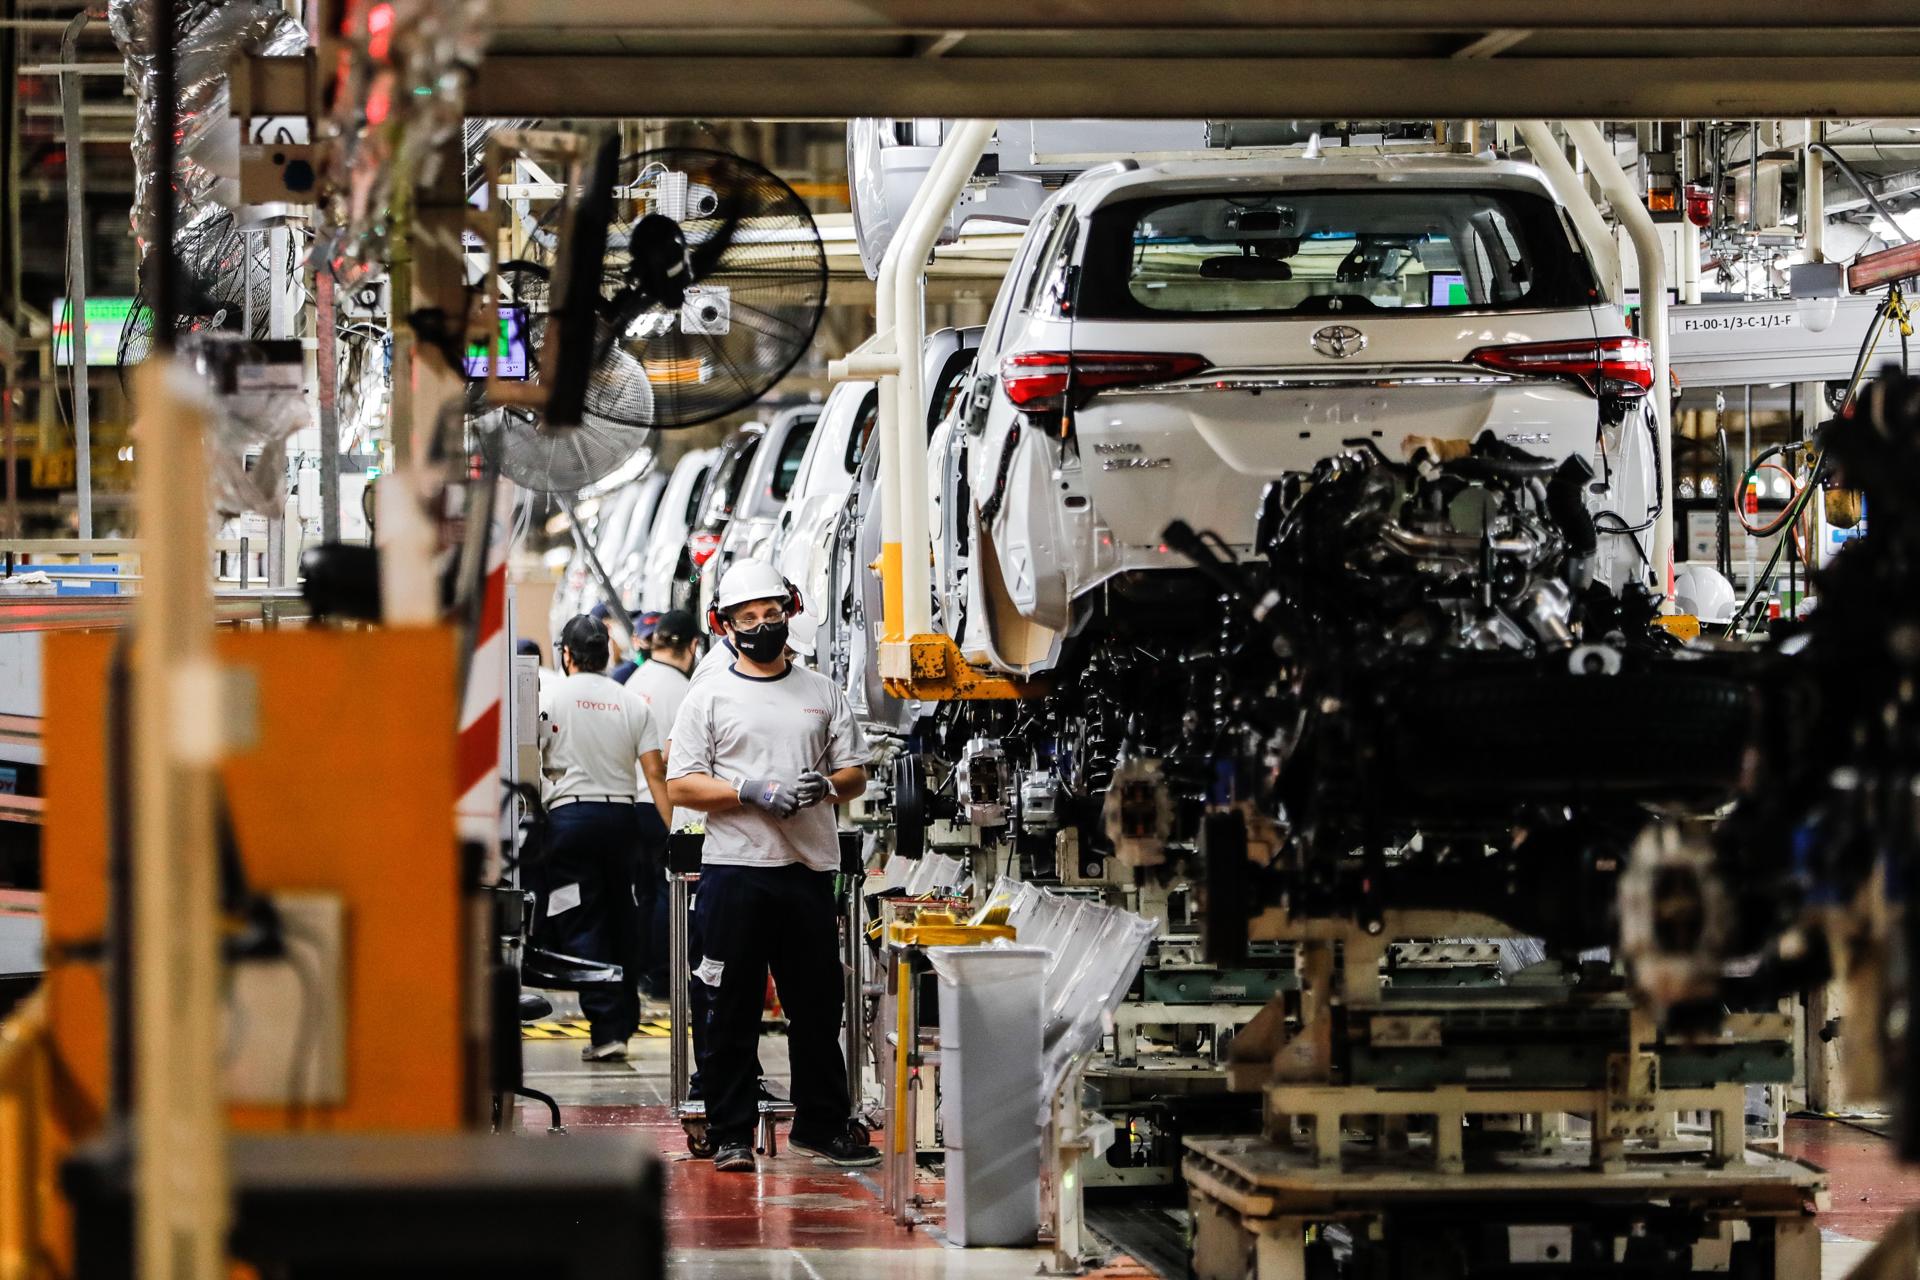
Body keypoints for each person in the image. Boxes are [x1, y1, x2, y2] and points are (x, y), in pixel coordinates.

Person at [666, 560, 880, 1172]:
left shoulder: (820, 691)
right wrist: (747, 792)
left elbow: (855, 773)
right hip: (736, 870)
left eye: (771, 613)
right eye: (748, 618)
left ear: (790, 613)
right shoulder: (708, 695)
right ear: (726, 626)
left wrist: (823, 788)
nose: (762, 625)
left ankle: (821, 1125)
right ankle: (732, 1130)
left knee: (817, 1008)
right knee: (730, 1007)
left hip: (809, 870)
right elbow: (682, 784)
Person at [538, 613, 673, 1061]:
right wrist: (673, 834)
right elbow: (655, 774)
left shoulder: (551, 698)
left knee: (581, 918)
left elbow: (531, 759)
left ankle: (604, 1029)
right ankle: (624, 1021)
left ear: (567, 655)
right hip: (623, 822)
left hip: (569, 822)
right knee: (623, 918)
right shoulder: (632, 702)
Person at [625, 609, 699, 997]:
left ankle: (644, 971)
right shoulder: (683, 690)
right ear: (692, 646)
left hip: (629, 803)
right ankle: (664, 976)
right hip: (662, 804)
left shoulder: (635, 682)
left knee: (643, 894)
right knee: (669, 893)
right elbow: (675, 757)